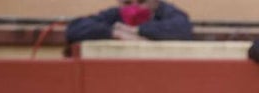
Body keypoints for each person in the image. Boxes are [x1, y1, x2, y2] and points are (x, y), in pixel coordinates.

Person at [64, 0, 193, 43]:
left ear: (156, 1)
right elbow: (74, 29)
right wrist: (114, 33)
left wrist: (136, 30)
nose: (134, 7)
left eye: (142, 1)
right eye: (127, 2)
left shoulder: (167, 12)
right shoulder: (114, 14)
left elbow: (183, 28)